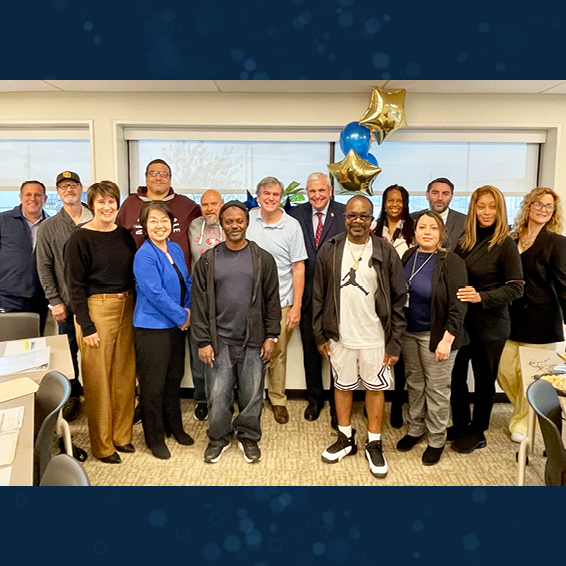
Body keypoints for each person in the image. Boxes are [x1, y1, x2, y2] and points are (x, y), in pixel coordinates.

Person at [313, 195, 407, 479]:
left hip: (375, 338)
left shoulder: (385, 251)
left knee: (375, 389)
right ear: (345, 218)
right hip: (340, 335)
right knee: (341, 387)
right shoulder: (330, 250)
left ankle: (374, 443)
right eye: (352, 215)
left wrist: (394, 342)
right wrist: (319, 334)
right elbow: (318, 296)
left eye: (363, 216)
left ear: (371, 219)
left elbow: (399, 299)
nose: (357, 221)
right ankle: (345, 439)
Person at [192, 201, 281, 464]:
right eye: (229, 221)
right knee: (218, 395)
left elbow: (272, 300)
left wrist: (271, 335)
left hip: (253, 339)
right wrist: (203, 341)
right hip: (219, 341)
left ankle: (248, 437)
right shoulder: (208, 260)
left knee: (253, 393)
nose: (234, 226)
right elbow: (197, 304)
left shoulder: (263, 259)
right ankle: (218, 438)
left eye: (239, 221)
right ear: (221, 224)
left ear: (247, 223)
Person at [65, 181, 137, 464]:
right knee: (97, 381)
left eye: (111, 202)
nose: (107, 208)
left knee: (123, 376)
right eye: (101, 203)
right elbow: (74, 286)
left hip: (127, 306)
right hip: (96, 310)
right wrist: (87, 324)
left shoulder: (124, 235)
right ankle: (103, 445)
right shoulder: (79, 238)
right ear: (91, 205)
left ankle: (122, 436)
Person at [450, 185, 524, 454]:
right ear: (473, 208)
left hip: (491, 323)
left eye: (492, 206)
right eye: (481, 206)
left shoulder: (505, 244)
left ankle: (478, 430)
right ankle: (459, 424)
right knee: (456, 377)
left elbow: (516, 287)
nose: (486, 212)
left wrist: (481, 296)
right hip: (462, 323)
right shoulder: (464, 241)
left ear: (500, 210)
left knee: (483, 379)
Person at [397, 211, 468, 465]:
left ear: (442, 233)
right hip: (409, 333)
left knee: (437, 390)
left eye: (433, 228)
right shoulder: (408, 256)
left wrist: (447, 339)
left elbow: (459, 306)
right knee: (414, 384)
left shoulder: (452, 261)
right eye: (422, 227)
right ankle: (415, 429)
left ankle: (436, 439)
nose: (427, 232)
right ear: (415, 232)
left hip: (437, 335)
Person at [497, 187, 566, 443]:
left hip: (542, 321)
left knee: (532, 377)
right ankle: (525, 410)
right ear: (528, 206)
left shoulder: (557, 243)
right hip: (511, 319)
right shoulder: (511, 239)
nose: (544, 210)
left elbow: (563, 284)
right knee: (503, 371)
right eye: (539, 204)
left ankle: (524, 424)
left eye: (549, 206)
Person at [133, 201, 193, 460]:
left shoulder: (176, 248)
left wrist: (188, 311)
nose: (160, 225)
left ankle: (174, 427)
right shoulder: (144, 255)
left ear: (172, 223)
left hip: (177, 326)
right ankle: (154, 437)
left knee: (173, 380)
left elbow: (186, 282)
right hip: (152, 329)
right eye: (153, 221)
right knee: (152, 386)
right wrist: (182, 316)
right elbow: (154, 293)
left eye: (164, 220)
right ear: (145, 226)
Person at [246, 176, 308, 424]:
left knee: (278, 352)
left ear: (281, 198)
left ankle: (278, 400)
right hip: (249, 302)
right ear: (259, 196)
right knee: (251, 351)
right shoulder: (248, 219)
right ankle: (252, 399)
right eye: (266, 194)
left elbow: (299, 267)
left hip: (282, 300)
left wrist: (297, 306)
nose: (271, 198)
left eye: (275, 194)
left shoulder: (291, 226)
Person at [288, 173, 346, 425]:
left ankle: (337, 403)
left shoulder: (345, 213)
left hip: (338, 296)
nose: (317, 196)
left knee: (338, 351)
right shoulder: (295, 215)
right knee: (310, 350)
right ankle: (314, 399)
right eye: (312, 191)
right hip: (307, 293)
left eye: (321, 190)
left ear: (330, 190)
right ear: (307, 192)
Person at [36, 171, 93, 421]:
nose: (68, 190)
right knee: (68, 355)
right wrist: (54, 301)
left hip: (97, 303)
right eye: (63, 186)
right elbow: (44, 266)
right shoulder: (49, 228)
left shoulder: (96, 219)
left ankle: (97, 397)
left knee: (96, 355)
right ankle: (72, 398)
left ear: (81, 188)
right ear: (57, 193)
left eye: (72, 185)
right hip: (67, 306)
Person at [373, 184, 415, 429]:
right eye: (390, 200)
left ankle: (398, 402)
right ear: (384, 202)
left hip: (406, 300)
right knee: (380, 351)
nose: (394, 204)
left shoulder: (413, 229)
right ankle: (376, 397)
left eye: (399, 200)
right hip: (379, 301)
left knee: (400, 354)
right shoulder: (374, 228)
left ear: (405, 202)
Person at [116, 158, 201, 268]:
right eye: (153, 173)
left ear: (170, 179)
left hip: (177, 272)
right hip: (138, 272)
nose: (158, 178)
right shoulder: (130, 204)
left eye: (164, 174)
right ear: (146, 178)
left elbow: (210, 217)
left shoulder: (186, 205)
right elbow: (117, 236)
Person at [187, 189, 225, 421]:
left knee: (225, 353)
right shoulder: (193, 227)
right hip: (198, 298)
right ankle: (201, 398)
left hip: (225, 299)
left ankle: (224, 399)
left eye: (214, 203)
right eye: (204, 204)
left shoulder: (232, 224)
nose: (209, 208)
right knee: (197, 352)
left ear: (222, 204)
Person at [0, 180, 49, 334]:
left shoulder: (50, 225)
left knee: (35, 344)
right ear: (20, 197)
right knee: (8, 345)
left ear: (45, 199)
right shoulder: (3, 221)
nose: (32, 199)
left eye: (37, 195)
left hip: (40, 298)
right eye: (28, 194)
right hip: (7, 297)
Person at [411, 177, 467, 250]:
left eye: (445, 194)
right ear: (427, 194)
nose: (440, 198)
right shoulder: (412, 218)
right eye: (435, 193)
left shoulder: (464, 221)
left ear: (451, 196)